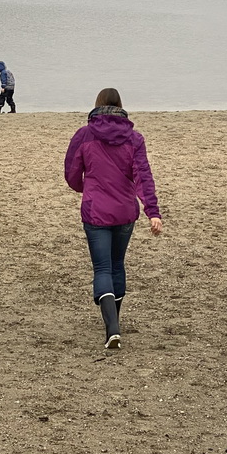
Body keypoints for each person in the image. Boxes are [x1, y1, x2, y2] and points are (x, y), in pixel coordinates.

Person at [64, 88, 162, 349]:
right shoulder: (134, 138)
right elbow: (143, 176)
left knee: (103, 268)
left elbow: (72, 172)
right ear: (120, 106)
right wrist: (152, 211)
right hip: (124, 211)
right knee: (117, 264)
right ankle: (114, 321)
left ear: (97, 105)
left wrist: (84, 188)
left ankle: (112, 327)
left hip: (96, 210)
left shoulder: (84, 135)